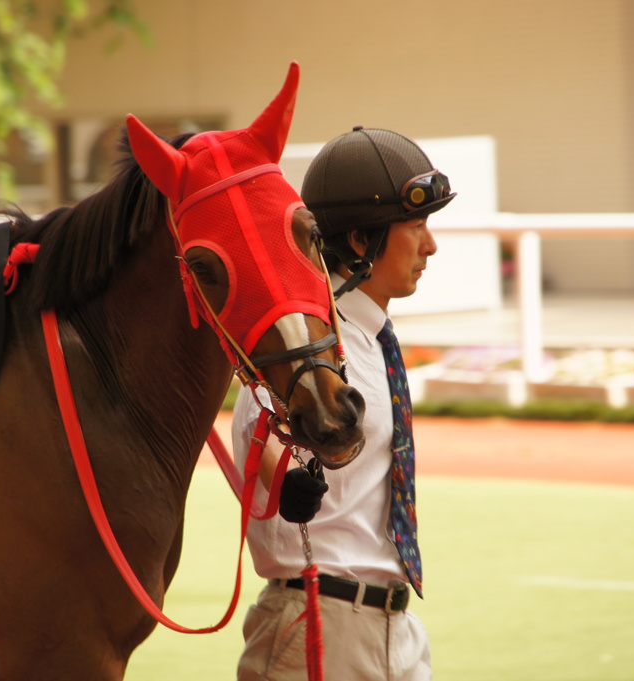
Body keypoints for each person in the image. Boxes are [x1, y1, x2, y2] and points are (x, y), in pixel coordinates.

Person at [231, 126, 455, 681]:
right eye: (417, 227)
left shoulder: (370, 338)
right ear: (360, 240)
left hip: (392, 625)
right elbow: (260, 453)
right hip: (318, 623)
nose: (430, 246)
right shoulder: (305, 351)